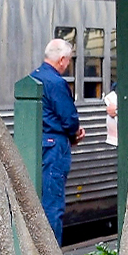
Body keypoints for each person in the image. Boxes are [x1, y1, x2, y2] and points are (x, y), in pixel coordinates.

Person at [30, 38, 84, 243]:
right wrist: (76, 134)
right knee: (53, 204)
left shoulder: (34, 77)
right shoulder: (56, 82)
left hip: (37, 146)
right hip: (54, 149)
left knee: (37, 201)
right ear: (62, 59)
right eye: (68, 61)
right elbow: (70, 119)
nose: (67, 65)